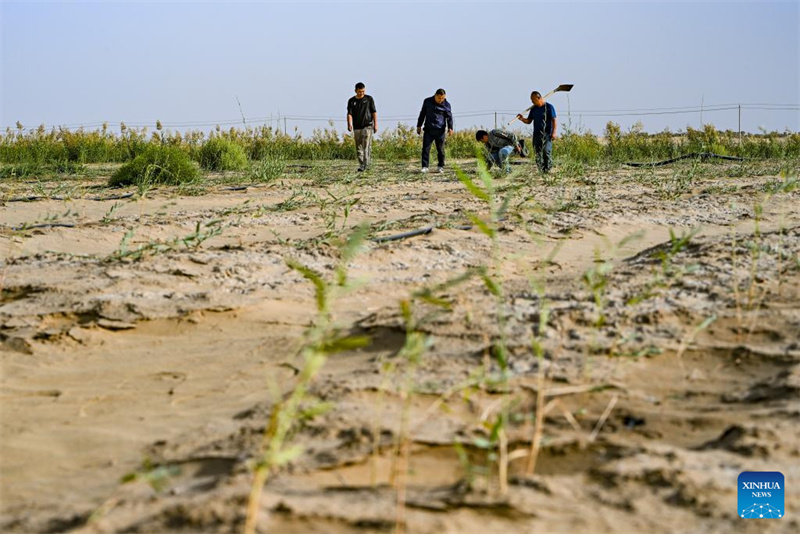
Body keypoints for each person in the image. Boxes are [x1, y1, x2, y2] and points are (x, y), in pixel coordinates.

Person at [516, 91, 557, 173]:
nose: (532, 102)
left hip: (547, 133)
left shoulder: (549, 107)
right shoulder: (534, 109)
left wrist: (554, 132)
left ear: (538, 98)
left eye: (533, 100)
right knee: (537, 153)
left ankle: (547, 169)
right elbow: (529, 121)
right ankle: (541, 170)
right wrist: (522, 119)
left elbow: (554, 120)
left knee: (546, 151)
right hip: (536, 134)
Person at [416, 88, 454, 173]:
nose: (441, 100)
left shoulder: (447, 105)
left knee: (440, 149)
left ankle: (440, 166)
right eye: (439, 98)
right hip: (428, 130)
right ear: (435, 95)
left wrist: (450, 128)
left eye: (442, 98)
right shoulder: (427, 101)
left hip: (440, 130)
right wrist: (419, 125)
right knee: (426, 149)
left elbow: (449, 117)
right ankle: (425, 166)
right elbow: (422, 114)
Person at [347, 82, 377, 172]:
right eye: (360, 92)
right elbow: (349, 114)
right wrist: (349, 124)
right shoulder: (351, 101)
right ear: (356, 91)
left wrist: (375, 124)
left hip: (367, 126)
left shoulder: (369, 99)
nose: (361, 93)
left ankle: (366, 165)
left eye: (363, 91)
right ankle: (361, 165)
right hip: (357, 127)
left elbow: (374, 112)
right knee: (358, 148)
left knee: (366, 146)